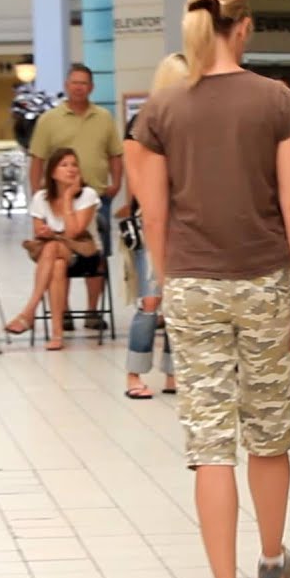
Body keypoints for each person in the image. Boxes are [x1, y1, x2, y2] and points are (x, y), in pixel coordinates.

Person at [126, 0, 290, 578]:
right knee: (267, 431)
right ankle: (269, 561)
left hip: (191, 286)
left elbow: (152, 215)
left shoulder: (162, 110)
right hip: (264, 283)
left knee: (210, 443)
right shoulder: (277, 101)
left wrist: (167, 276)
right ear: (246, 27)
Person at [28, 64, 123, 332]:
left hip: (96, 197)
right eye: (74, 82)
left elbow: (116, 154)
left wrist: (117, 184)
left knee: (97, 253)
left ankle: (93, 311)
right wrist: (38, 192)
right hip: (57, 199)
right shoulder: (49, 119)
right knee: (61, 250)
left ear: (91, 88)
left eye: (84, 83)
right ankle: (64, 311)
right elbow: (37, 159)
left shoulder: (104, 117)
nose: (79, 87)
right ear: (67, 85)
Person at [119, 53, 186, 400]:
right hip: (151, 221)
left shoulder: (192, 122)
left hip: (187, 219)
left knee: (177, 299)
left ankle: (173, 372)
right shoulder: (142, 124)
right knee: (151, 300)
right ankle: (134, 373)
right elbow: (139, 182)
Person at [5, 147, 102, 351]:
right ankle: (57, 334)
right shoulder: (41, 198)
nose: (71, 169)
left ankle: (29, 311)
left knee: (53, 249)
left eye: (74, 165)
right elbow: (37, 231)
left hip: (84, 254)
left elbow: (75, 232)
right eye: (64, 165)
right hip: (54, 256)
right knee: (55, 260)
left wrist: (68, 198)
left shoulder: (88, 195)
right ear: (52, 172)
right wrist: (45, 232)